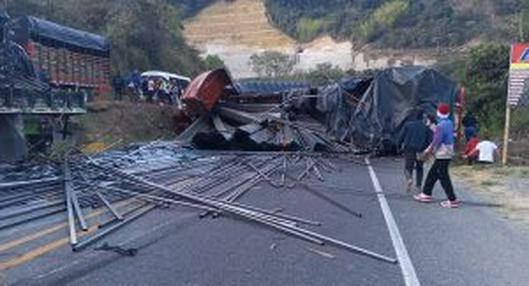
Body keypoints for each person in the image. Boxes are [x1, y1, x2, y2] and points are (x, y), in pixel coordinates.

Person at [414, 103, 460, 208]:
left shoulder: (440, 125)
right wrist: (431, 126)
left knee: (443, 176)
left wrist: (428, 150)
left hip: (442, 152)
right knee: (433, 173)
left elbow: (437, 139)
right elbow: (441, 133)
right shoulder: (448, 122)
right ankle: (426, 193)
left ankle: (452, 199)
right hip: (448, 150)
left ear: (438, 112)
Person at [398, 109, 432, 192]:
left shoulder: (408, 125)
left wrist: (398, 145)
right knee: (419, 168)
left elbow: (401, 137)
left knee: (408, 167)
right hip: (421, 149)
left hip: (409, 148)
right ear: (422, 117)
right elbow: (429, 139)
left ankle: (409, 179)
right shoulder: (426, 127)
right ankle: (418, 186)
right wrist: (427, 150)